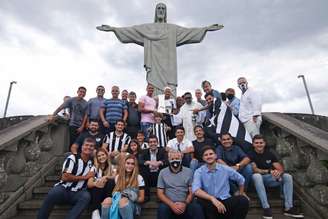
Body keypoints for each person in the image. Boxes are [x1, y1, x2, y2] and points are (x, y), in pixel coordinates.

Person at [97, 3, 223, 95]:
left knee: (169, 91)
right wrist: (114, 29)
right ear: (155, 12)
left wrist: (205, 29)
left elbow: (188, 32)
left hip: (169, 67)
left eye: (163, 9)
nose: (161, 10)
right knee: (155, 91)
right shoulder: (148, 28)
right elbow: (132, 30)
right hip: (154, 66)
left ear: (166, 12)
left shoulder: (172, 29)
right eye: (159, 8)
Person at [37, 138, 95, 219]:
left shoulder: (93, 163)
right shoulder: (72, 158)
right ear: (81, 147)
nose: (88, 147)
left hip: (79, 192)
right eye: (86, 145)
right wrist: (85, 177)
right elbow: (65, 177)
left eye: (91, 146)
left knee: (86, 197)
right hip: (63, 189)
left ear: (93, 149)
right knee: (52, 193)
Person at [248, 135, 304, 219]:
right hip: (255, 180)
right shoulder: (250, 154)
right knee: (257, 176)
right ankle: (266, 208)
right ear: (253, 144)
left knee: (287, 176)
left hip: (269, 178)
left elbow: (280, 168)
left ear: (264, 143)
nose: (259, 144)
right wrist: (269, 171)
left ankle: (288, 208)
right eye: (256, 143)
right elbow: (255, 169)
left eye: (261, 143)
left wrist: (278, 173)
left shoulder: (269, 154)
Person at [192, 146, 249, 219]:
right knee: (199, 203)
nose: (209, 156)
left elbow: (241, 179)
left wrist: (241, 192)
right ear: (203, 158)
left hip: (225, 201)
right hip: (210, 203)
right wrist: (212, 199)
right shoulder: (199, 171)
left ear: (215, 156)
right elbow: (196, 190)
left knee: (243, 200)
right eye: (206, 155)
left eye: (211, 154)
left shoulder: (225, 168)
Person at [157, 151, 204, 219]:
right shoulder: (163, 172)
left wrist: (185, 203)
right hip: (169, 204)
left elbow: (191, 192)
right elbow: (160, 193)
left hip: (185, 203)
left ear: (181, 159)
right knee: (162, 209)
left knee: (197, 208)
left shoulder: (189, 172)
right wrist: (172, 205)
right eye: (172, 159)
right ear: (169, 160)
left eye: (177, 158)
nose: (175, 160)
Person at [101, 154, 145, 219]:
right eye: (128, 163)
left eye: (132, 164)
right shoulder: (118, 177)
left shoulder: (139, 177)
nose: (130, 166)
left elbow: (141, 199)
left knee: (123, 201)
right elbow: (115, 193)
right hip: (118, 202)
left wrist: (130, 197)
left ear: (135, 166)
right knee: (107, 200)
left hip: (133, 205)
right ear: (124, 164)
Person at [88, 148, 117, 219]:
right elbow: (89, 183)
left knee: (110, 181)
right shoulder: (94, 168)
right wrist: (96, 184)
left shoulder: (112, 166)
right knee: (96, 186)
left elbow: (115, 177)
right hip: (97, 193)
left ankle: (107, 204)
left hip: (108, 193)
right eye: (99, 156)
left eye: (103, 155)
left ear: (107, 155)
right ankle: (95, 211)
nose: (101, 157)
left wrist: (105, 177)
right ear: (97, 158)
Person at [139, 135, 167, 200]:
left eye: (154, 142)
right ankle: (146, 196)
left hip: (159, 176)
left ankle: (160, 196)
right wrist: (148, 162)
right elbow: (139, 160)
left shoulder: (162, 150)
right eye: (151, 142)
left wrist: (159, 162)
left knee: (164, 170)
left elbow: (167, 160)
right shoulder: (144, 151)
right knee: (143, 170)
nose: (153, 144)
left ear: (157, 143)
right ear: (148, 144)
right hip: (148, 177)